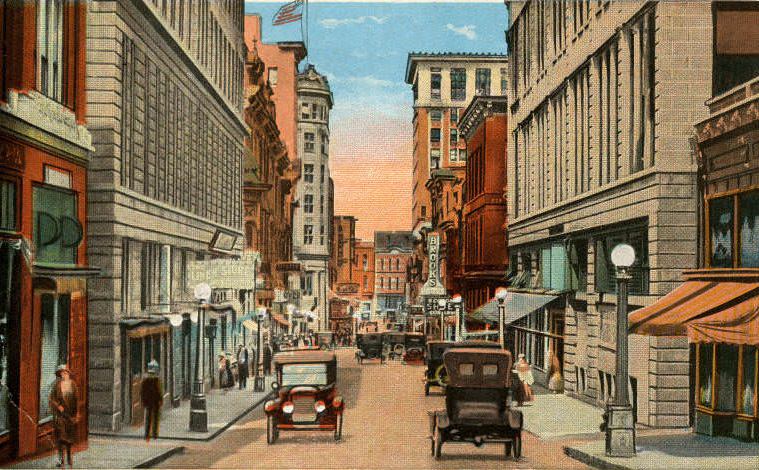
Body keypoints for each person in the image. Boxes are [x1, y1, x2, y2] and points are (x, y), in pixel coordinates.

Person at [49, 364, 78, 468]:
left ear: (68, 374)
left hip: (70, 415)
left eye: (65, 373)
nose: (63, 375)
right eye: (61, 373)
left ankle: (69, 458)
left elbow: (76, 401)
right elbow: (51, 399)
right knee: (61, 438)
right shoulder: (56, 385)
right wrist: (58, 406)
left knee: (69, 438)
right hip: (60, 415)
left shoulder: (73, 385)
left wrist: (75, 415)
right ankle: (61, 460)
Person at [141, 360, 162, 442]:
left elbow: (142, 391)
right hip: (155, 401)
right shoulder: (156, 379)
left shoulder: (145, 380)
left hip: (149, 401)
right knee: (155, 418)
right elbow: (159, 390)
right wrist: (160, 399)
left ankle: (147, 434)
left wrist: (143, 400)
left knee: (148, 418)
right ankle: (154, 434)